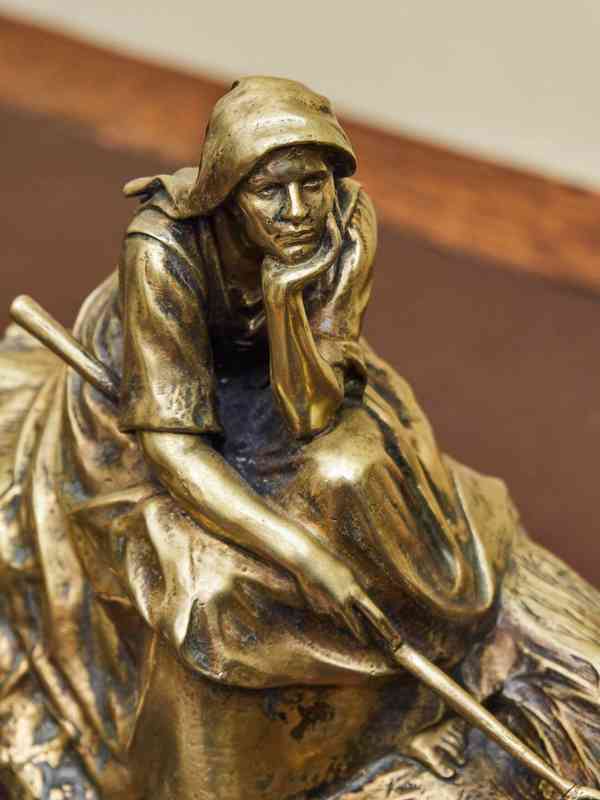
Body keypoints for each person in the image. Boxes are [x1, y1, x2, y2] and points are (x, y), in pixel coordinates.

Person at [0, 76, 599, 800]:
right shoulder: (163, 250)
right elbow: (173, 447)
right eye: (268, 192)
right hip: (155, 408)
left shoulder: (347, 221)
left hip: (294, 384)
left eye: (312, 184)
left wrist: (286, 300)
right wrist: (303, 555)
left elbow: (312, 412)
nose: (296, 211)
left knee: (355, 477)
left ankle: (432, 682)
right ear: (227, 192)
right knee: (213, 590)